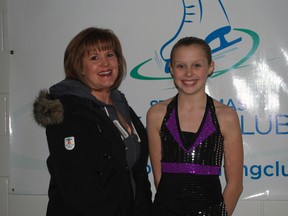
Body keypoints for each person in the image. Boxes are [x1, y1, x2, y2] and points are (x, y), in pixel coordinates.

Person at [33, 27, 152, 216]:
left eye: (110, 54)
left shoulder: (121, 106)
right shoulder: (69, 113)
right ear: (79, 66)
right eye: (94, 57)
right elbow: (80, 192)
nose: (105, 63)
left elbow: (137, 174)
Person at [146, 37, 243, 216]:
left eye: (197, 65)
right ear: (171, 68)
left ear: (210, 67)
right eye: (181, 66)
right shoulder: (157, 114)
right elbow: (159, 178)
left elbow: (235, 185)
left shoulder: (225, 116)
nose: (188, 73)